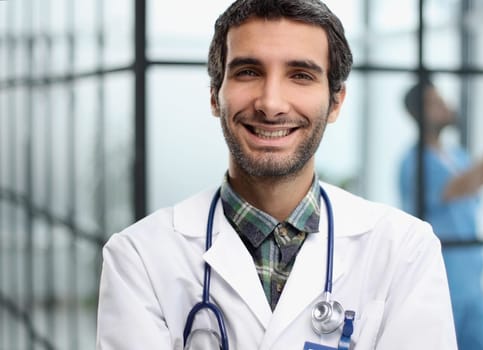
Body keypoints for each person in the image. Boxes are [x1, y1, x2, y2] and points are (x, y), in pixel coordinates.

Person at [96, 1, 457, 349]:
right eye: (248, 72)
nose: (271, 103)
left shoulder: (405, 250)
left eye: (300, 75)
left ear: (336, 102)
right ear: (213, 95)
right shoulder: (139, 258)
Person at [398, 78, 483, 350]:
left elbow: (478, 179)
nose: (444, 106)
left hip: (471, 282)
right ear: (417, 114)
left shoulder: (456, 155)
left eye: (441, 99)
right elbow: (477, 179)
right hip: (441, 282)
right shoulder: (415, 164)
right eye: (434, 103)